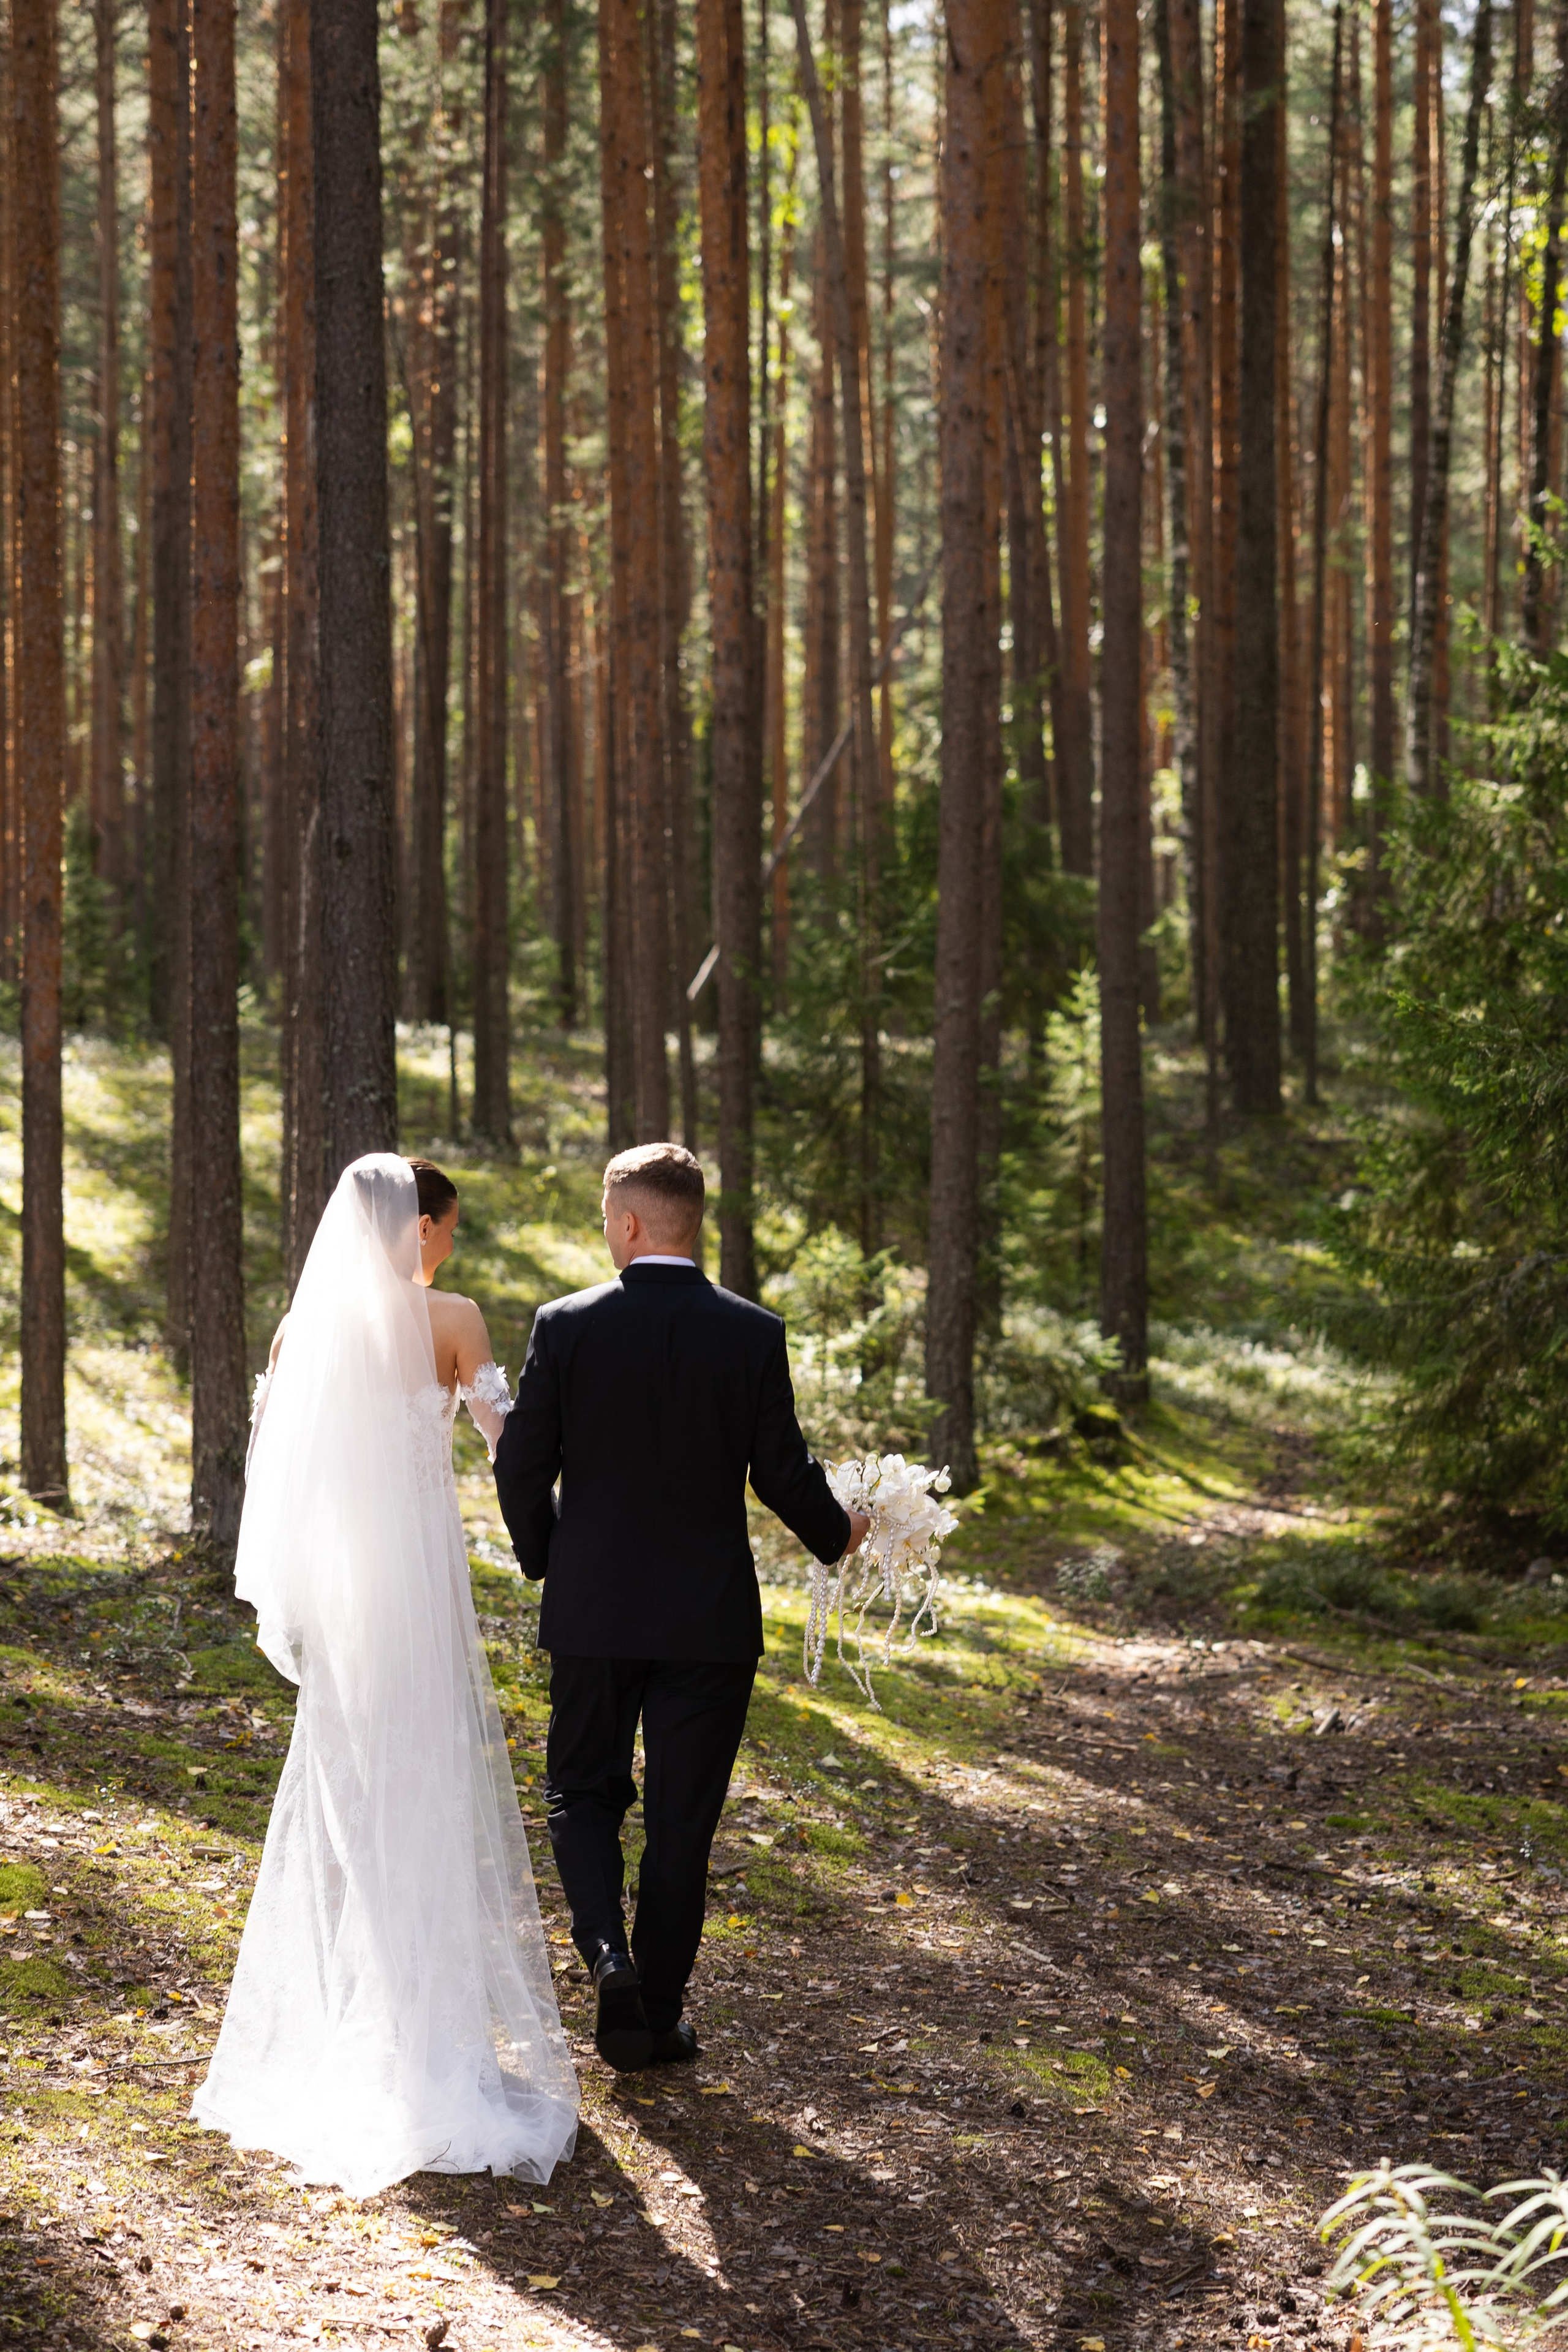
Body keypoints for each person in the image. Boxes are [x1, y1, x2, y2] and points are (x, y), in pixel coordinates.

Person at [192, 1155, 578, 2198]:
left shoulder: (299, 1333)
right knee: (426, 1790)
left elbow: (278, 1472)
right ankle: (422, 2038)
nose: (446, 1241)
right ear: (423, 1227)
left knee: (358, 1794)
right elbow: (511, 1450)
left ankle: (371, 2021)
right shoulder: (451, 1320)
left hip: (345, 1595)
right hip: (415, 1589)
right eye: (443, 1224)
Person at [492, 1141, 869, 2073]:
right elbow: (782, 1472)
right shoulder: (751, 1331)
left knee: (582, 1795)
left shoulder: (565, 1325)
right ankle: (651, 2018)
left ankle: (607, 1957)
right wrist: (841, 1531)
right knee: (682, 1820)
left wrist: (550, 1561)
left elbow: (522, 1463)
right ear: (688, 1223)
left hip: (594, 1612)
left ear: (627, 1223)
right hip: (707, 1619)